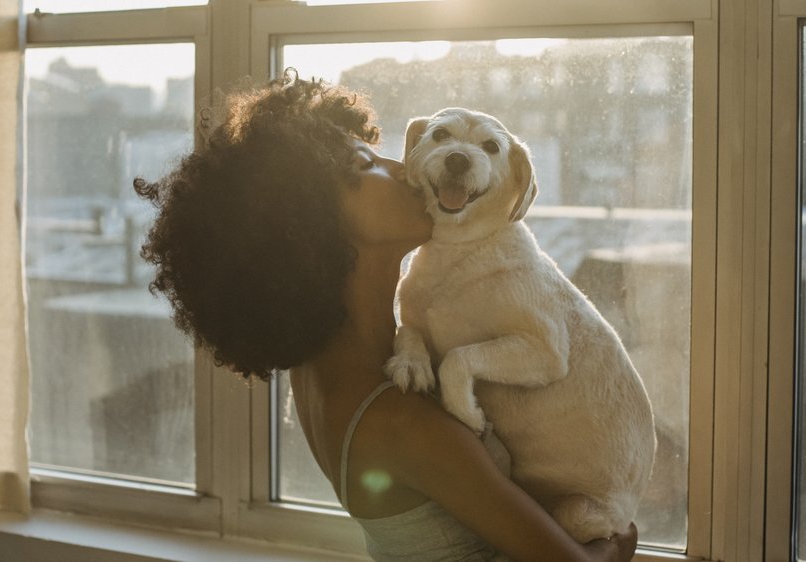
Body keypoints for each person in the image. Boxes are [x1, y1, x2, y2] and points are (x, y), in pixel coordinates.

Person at [134, 71, 638, 562]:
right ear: (310, 221)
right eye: (365, 165)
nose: (401, 167)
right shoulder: (405, 424)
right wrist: (614, 545)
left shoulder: (321, 369)